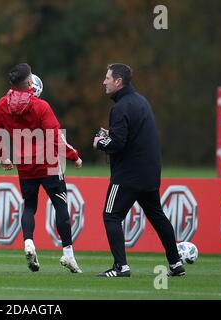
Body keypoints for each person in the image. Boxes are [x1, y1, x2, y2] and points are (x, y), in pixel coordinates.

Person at [0, 63, 83, 273]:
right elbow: (55, 137)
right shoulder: (41, 106)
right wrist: (74, 156)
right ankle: (68, 254)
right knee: (60, 206)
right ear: (30, 82)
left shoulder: (3, 104)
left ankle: (29, 242)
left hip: (24, 165)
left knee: (29, 206)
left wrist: (3, 156)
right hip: (48, 164)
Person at [93, 63, 185, 277]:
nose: (104, 82)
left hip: (128, 175)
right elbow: (132, 137)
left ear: (118, 81)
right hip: (150, 172)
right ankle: (175, 263)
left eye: (107, 78)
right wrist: (112, 135)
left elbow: (117, 144)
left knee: (111, 216)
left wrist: (99, 142)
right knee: (157, 216)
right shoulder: (141, 102)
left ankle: (121, 267)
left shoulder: (120, 107)